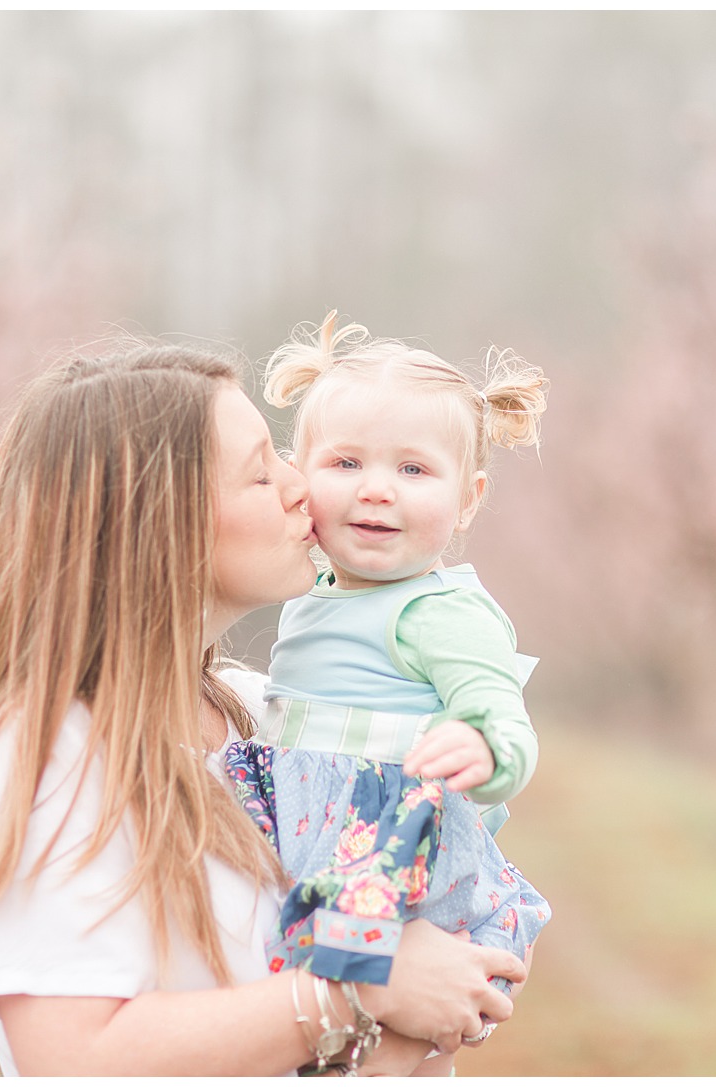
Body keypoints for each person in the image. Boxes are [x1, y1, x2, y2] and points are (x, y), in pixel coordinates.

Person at [0, 344, 526, 1076]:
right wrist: (360, 988)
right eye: (263, 470)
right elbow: (70, 1057)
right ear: (158, 519)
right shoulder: (47, 752)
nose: (301, 487)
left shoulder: (264, 717)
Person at [225, 314, 552, 1076]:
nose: (377, 489)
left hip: (393, 844)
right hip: (316, 829)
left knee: (397, 1043)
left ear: (467, 500)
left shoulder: (438, 609)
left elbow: (499, 708)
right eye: (345, 462)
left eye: (414, 470)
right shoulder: (314, 589)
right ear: (299, 475)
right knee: (327, 1036)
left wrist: (483, 744)